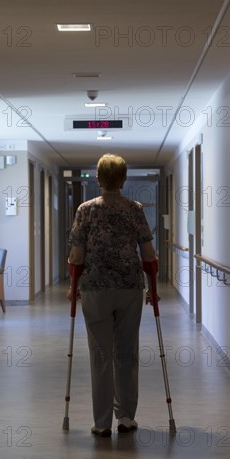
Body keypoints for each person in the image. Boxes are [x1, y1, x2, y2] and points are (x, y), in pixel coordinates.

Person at [68, 153, 159, 437]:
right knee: (126, 352)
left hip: (95, 287)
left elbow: (76, 255)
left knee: (100, 354)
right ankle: (127, 417)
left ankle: (102, 422)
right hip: (129, 287)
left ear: (97, 179)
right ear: (123, 179)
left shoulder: (85, 210)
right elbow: (148, 255)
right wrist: (153, 289)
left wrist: (73, 288)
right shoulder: (134, 209)